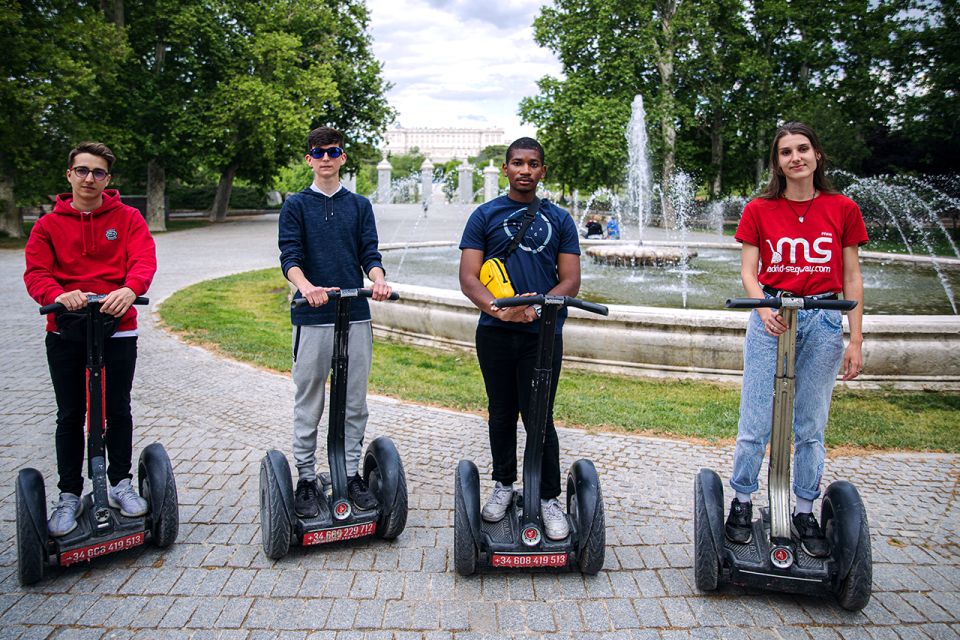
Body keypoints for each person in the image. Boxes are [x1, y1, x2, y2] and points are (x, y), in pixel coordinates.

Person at [726, 122, 867, 557]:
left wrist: (856, 339)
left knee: (810, 424)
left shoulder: (842, 208)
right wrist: (763, 307)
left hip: (824, 318)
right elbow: (749, 271)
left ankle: (804, 508)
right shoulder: (759, 209)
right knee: (755, 421)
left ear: (817, 155)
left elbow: (852, 276)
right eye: (786, 152)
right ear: (778, 162)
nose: (795, 157)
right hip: (772, 317)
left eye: (803, 149)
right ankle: (743, 502)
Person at [24, 141, 157, 537]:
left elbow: (144, 260)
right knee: (71, 413)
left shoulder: (128, 218)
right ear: (69, 175)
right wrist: (56, 295)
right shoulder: (48, 226)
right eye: (82, 171)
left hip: (118, 325)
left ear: (107, 179)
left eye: (98, 172)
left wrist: (131, 289)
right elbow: (36, 274)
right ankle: (69, 494)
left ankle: (119, 483)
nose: (89, 178)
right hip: (66, 327)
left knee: (117, 407)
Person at [458, 137, 581, 541]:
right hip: (494, 332)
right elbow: (468, 277)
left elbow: (571, 280)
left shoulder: (560, 219)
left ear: (543, 170)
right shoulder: (485, 215)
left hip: (542, 335)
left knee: (539, 416)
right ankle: (504, 484)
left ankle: (547, 496)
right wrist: (499, 308)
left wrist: (540, 308)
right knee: (500, 412)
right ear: (506, 169)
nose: (525, 170)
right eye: (517, 163)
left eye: (533, 164)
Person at [278, 126, 392, 518]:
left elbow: (369, 253)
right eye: (318, 152)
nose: (326, 158)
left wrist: (377, 279)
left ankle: (348, 472)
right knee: (310, 399)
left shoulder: (359, 205)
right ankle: (307, 479)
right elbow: (289, 257)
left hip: (355, 314)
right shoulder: (295, 205)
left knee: (354, 401)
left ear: (343, 157)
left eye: (333, 151)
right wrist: (307, 287)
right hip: (313, 317)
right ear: (309, 159)